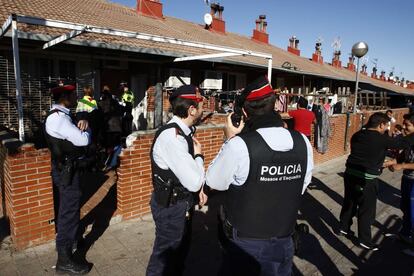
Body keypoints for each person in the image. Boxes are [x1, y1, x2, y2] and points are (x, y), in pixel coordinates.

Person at [205, 76, 313, 276]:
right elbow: (302, 184)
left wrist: (229, 140)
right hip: (285, 238)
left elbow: (213, 181)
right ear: (274, 105)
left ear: (245, 112)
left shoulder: (240, 145)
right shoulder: (302, 143)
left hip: (248, 245)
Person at [146, 84, 207, 276]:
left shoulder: (181, 133)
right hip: (171, 208)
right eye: (201, 104)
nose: (203, 108)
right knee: (164, 262)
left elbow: (186, 176)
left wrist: (198, 192)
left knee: (178, 258)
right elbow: (195, 180)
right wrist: (199, 157)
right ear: (191, 110)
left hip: (179, 203)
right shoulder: (173, 138)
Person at [338, 112, 409, 251]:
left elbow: (365, 153)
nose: (387, 128)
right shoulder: (381, 138)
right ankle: (365, 240)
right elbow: (402, 143)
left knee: (349, 202)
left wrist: (377, 163)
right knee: (366, 210)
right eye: (386, 125)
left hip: (350, 173)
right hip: (366, 179)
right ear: (381, 124)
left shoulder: (357, 135)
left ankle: (343, 228)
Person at [44, 84, 91, 274]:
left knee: (69, 209)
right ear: (65, 97)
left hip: (66, 169)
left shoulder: (60, 115)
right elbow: (84, 140)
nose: (75, 98)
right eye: (73, 95)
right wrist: (87, 130)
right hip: (67, 171)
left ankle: (69, 244)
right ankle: (64, 260)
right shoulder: (59, 119)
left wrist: (83, 123)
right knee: (68, 212)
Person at [388, 113, 414, 245]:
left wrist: (402, 166)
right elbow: (401, 157)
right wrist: (391, 162)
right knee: (405, 208)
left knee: (412, 210)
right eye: (404, 124)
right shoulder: (409, 141)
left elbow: (403, 162)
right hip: (407, 178)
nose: (404, 127)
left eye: (407, 125)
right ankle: (405, 234)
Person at [98, 85, 123, 171]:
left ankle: (107, 163)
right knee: (116, 145)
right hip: (116, 127)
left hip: (107, 128)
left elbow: (100, 117)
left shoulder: (100, 103)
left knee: (107, 146)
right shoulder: (115, 102)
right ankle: (112, 163)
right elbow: (120, 113)